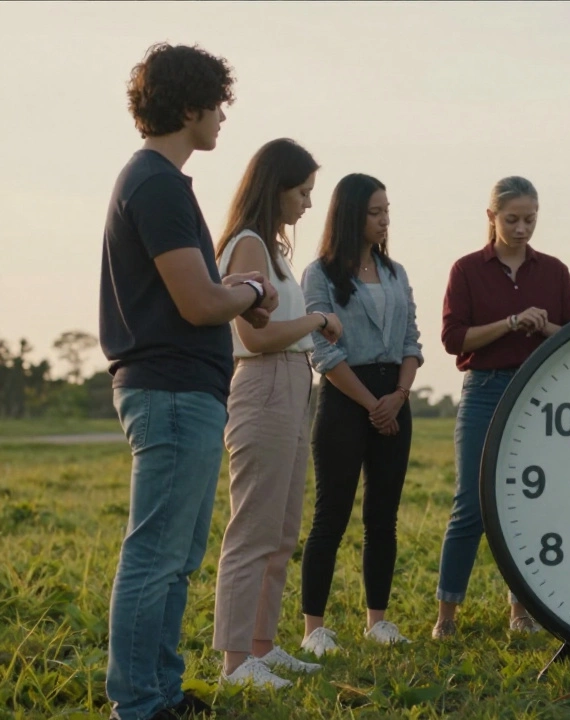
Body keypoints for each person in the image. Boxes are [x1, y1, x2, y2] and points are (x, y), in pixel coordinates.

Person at [99, 43, 280, 720]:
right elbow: (200, 305)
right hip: (171, 391)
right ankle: (139, 704)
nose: (223, 116)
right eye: (217, 104)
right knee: (156, 555)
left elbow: (204, 292)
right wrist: (250, 288)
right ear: (188, 106)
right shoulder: (156, 184)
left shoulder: (159, 183)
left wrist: (232, 289)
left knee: (177, 558)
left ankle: (162, 693)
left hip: (186, 391)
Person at [211, 138, 342, 688]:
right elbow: (252, 335)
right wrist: (315, 322)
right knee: (253, 529)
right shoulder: (247, 246)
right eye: (303, 191)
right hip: (264, 386)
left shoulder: (272, 251)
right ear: (277, 188)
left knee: (282, 529)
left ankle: (262, 648)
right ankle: (235, 663)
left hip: (292, 386)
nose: (309, 203)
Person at [433, 176, 570, 639]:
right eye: (513, 219)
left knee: (531, 504)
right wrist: (511, 323)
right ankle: (446, 617)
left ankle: (521, 612)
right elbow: (454, 339)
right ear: (491, 217)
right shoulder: (466, 270)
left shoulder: (554, 271)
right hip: (483, 390)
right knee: (471, 505)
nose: (522, 229)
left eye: (531, 220)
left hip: (540, 393)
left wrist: (542, 327)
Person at [298, 173, 423, 655]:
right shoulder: (320, 275)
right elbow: (323, 356)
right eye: (375, 212)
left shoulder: (396, 273)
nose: (384, 220)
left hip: (395, 396)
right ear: (350, 215)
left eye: (387, 210)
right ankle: (314, 628)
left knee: (383, 516)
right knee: (331, 514)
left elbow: (412, 340)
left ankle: (379, 620)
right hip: (346, 401)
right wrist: (372, 405)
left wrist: (399, 395)